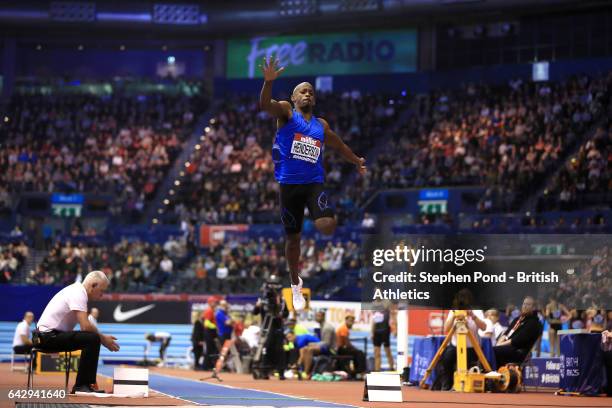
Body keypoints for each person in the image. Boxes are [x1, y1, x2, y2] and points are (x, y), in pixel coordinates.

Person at [259, 57, 367, 311]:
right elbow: (265, 105)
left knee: (327, 226)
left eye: (310, 92)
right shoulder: (286, 112)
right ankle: (295, 283)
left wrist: (356, 161)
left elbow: (338, 145)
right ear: (294, 98)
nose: (307, 94)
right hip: (289, 186)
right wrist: (268, 82)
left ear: (314, 99)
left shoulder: (321, 125)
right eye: (302, 91)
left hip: (313, 183)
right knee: (293, 239)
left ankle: (318, 222)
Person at [34, 271, 119, 394]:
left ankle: (87, 384)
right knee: (92, 338)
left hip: (49, 335)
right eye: (102, 291)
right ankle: (82, 385)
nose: (102, 296)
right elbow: (85, 326)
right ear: (93, 285)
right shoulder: (78, 292)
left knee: (91, 337)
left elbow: (85, 326)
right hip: (46, 337)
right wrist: (104, 339)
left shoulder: (76, 290)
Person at [433, 309, 492, 391]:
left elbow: (484, 327)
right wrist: (454, 316)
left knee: (469, 364)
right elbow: (446, 329)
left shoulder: (477, 311)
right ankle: (446, 384)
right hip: (455, 346)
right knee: (445, 360)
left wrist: (472, 315)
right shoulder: (453, 310)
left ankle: (463, 385)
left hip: (472, 347)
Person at [494, 296, 543, 367]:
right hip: (507, 347)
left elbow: (516, 340)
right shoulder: (517, 319)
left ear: (534, 308)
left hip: (518, 351)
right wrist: (498, 344)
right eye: (524, 304)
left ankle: (492, 372)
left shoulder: (533, 323)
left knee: (493, 351)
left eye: (528, 304)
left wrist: (499, 346)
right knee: (490, 350)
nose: (525, 306)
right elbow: (506, 333)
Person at [300, 310, 336, 378]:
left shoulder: (327, 327)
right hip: (324, 347)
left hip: (331, 350)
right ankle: (302, 370)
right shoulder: (321, 326)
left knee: (310, 349)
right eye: (316, 316)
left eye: (318, 316)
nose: (316, 318)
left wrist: (313, 344)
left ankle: (306, 372)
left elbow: (327, 343)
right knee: (304, 349)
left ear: (323, 317)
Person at [336, 314, 366, 379]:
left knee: (357, 353)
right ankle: (360, 372)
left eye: (352, 321)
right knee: (360, 353)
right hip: (340, 349)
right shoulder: (344, 329)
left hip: (342, 349)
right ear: (346, 320)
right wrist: (356, 349)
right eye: (349, 321)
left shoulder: (344, 328)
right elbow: (348, 344)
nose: (351, 322)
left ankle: (356, 371)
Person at [372, 305, 395, 371]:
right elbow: (373, 322)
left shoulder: (387, 309)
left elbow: (393, 319)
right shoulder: (375, 309)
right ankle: (377, 369)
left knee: (387, 351)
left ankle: (391, 367)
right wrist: (372, 332)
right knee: (376, 352)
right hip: (377, 333)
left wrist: (395, 329)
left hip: (385, 332)